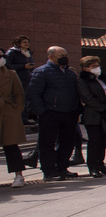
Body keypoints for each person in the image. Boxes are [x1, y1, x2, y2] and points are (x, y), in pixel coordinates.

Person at [26, 47, 81, 181]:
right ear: (51, 56)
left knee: (67, 142)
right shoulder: (42, 72)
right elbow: (33, 94)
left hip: (69, 113)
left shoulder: (70, 73)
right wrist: (42, 112)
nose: (65, 57)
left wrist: (76, 110)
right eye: (61, 55)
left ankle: (62, 167)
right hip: (50, 113)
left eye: (66, 54)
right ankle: (49, 171)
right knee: (47, 143)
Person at [76, 56, 106, 178]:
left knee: (103, 140)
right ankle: (92, 167)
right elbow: (87, 98)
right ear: (86, 68)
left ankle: (100, 164)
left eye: (97, 65)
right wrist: (103, 108)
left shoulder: (102, 79)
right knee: (95, 141)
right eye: (93, 66)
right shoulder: (83, 81)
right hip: (93, 114)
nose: (97, 68)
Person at [1, 54, 29, 187]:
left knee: (11, 145)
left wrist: (17, 109)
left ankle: (18, 175)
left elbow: (19, 93)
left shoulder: (11, 74)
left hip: (7, 112)